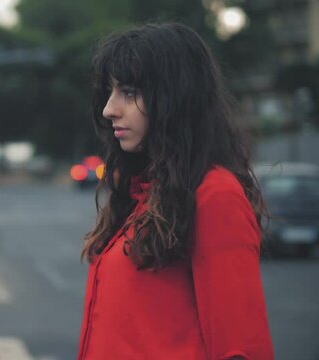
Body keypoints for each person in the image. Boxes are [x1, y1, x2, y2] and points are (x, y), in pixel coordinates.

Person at [77, 23, 273, 360]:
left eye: (129, 92)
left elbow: (241, 347)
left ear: (173, 100)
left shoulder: (215, 195)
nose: (109, 109)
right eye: (110, 92)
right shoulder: (143, 195)